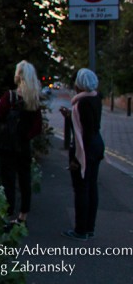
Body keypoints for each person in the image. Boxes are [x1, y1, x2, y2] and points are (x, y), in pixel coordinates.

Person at [0, 60, 42, 227]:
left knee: (8, 181)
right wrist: (25, 136)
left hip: (8, 145)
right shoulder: (34, 100)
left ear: (18, 75)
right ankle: (22, 217)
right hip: (24, 146)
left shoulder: (10, 97)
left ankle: (7, 215)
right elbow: (37, 127)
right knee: (25, 180)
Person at [59, 68, 105, 241]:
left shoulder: (81, 103)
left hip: (85, 149)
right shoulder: (95, 98)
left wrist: (77, 160)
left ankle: (80, 230)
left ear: (80, 84)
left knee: (81, 189)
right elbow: (89, 125)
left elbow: (82, 134)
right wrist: (70, 117)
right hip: (97, 146)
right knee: (91, 187)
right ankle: (89, 228)